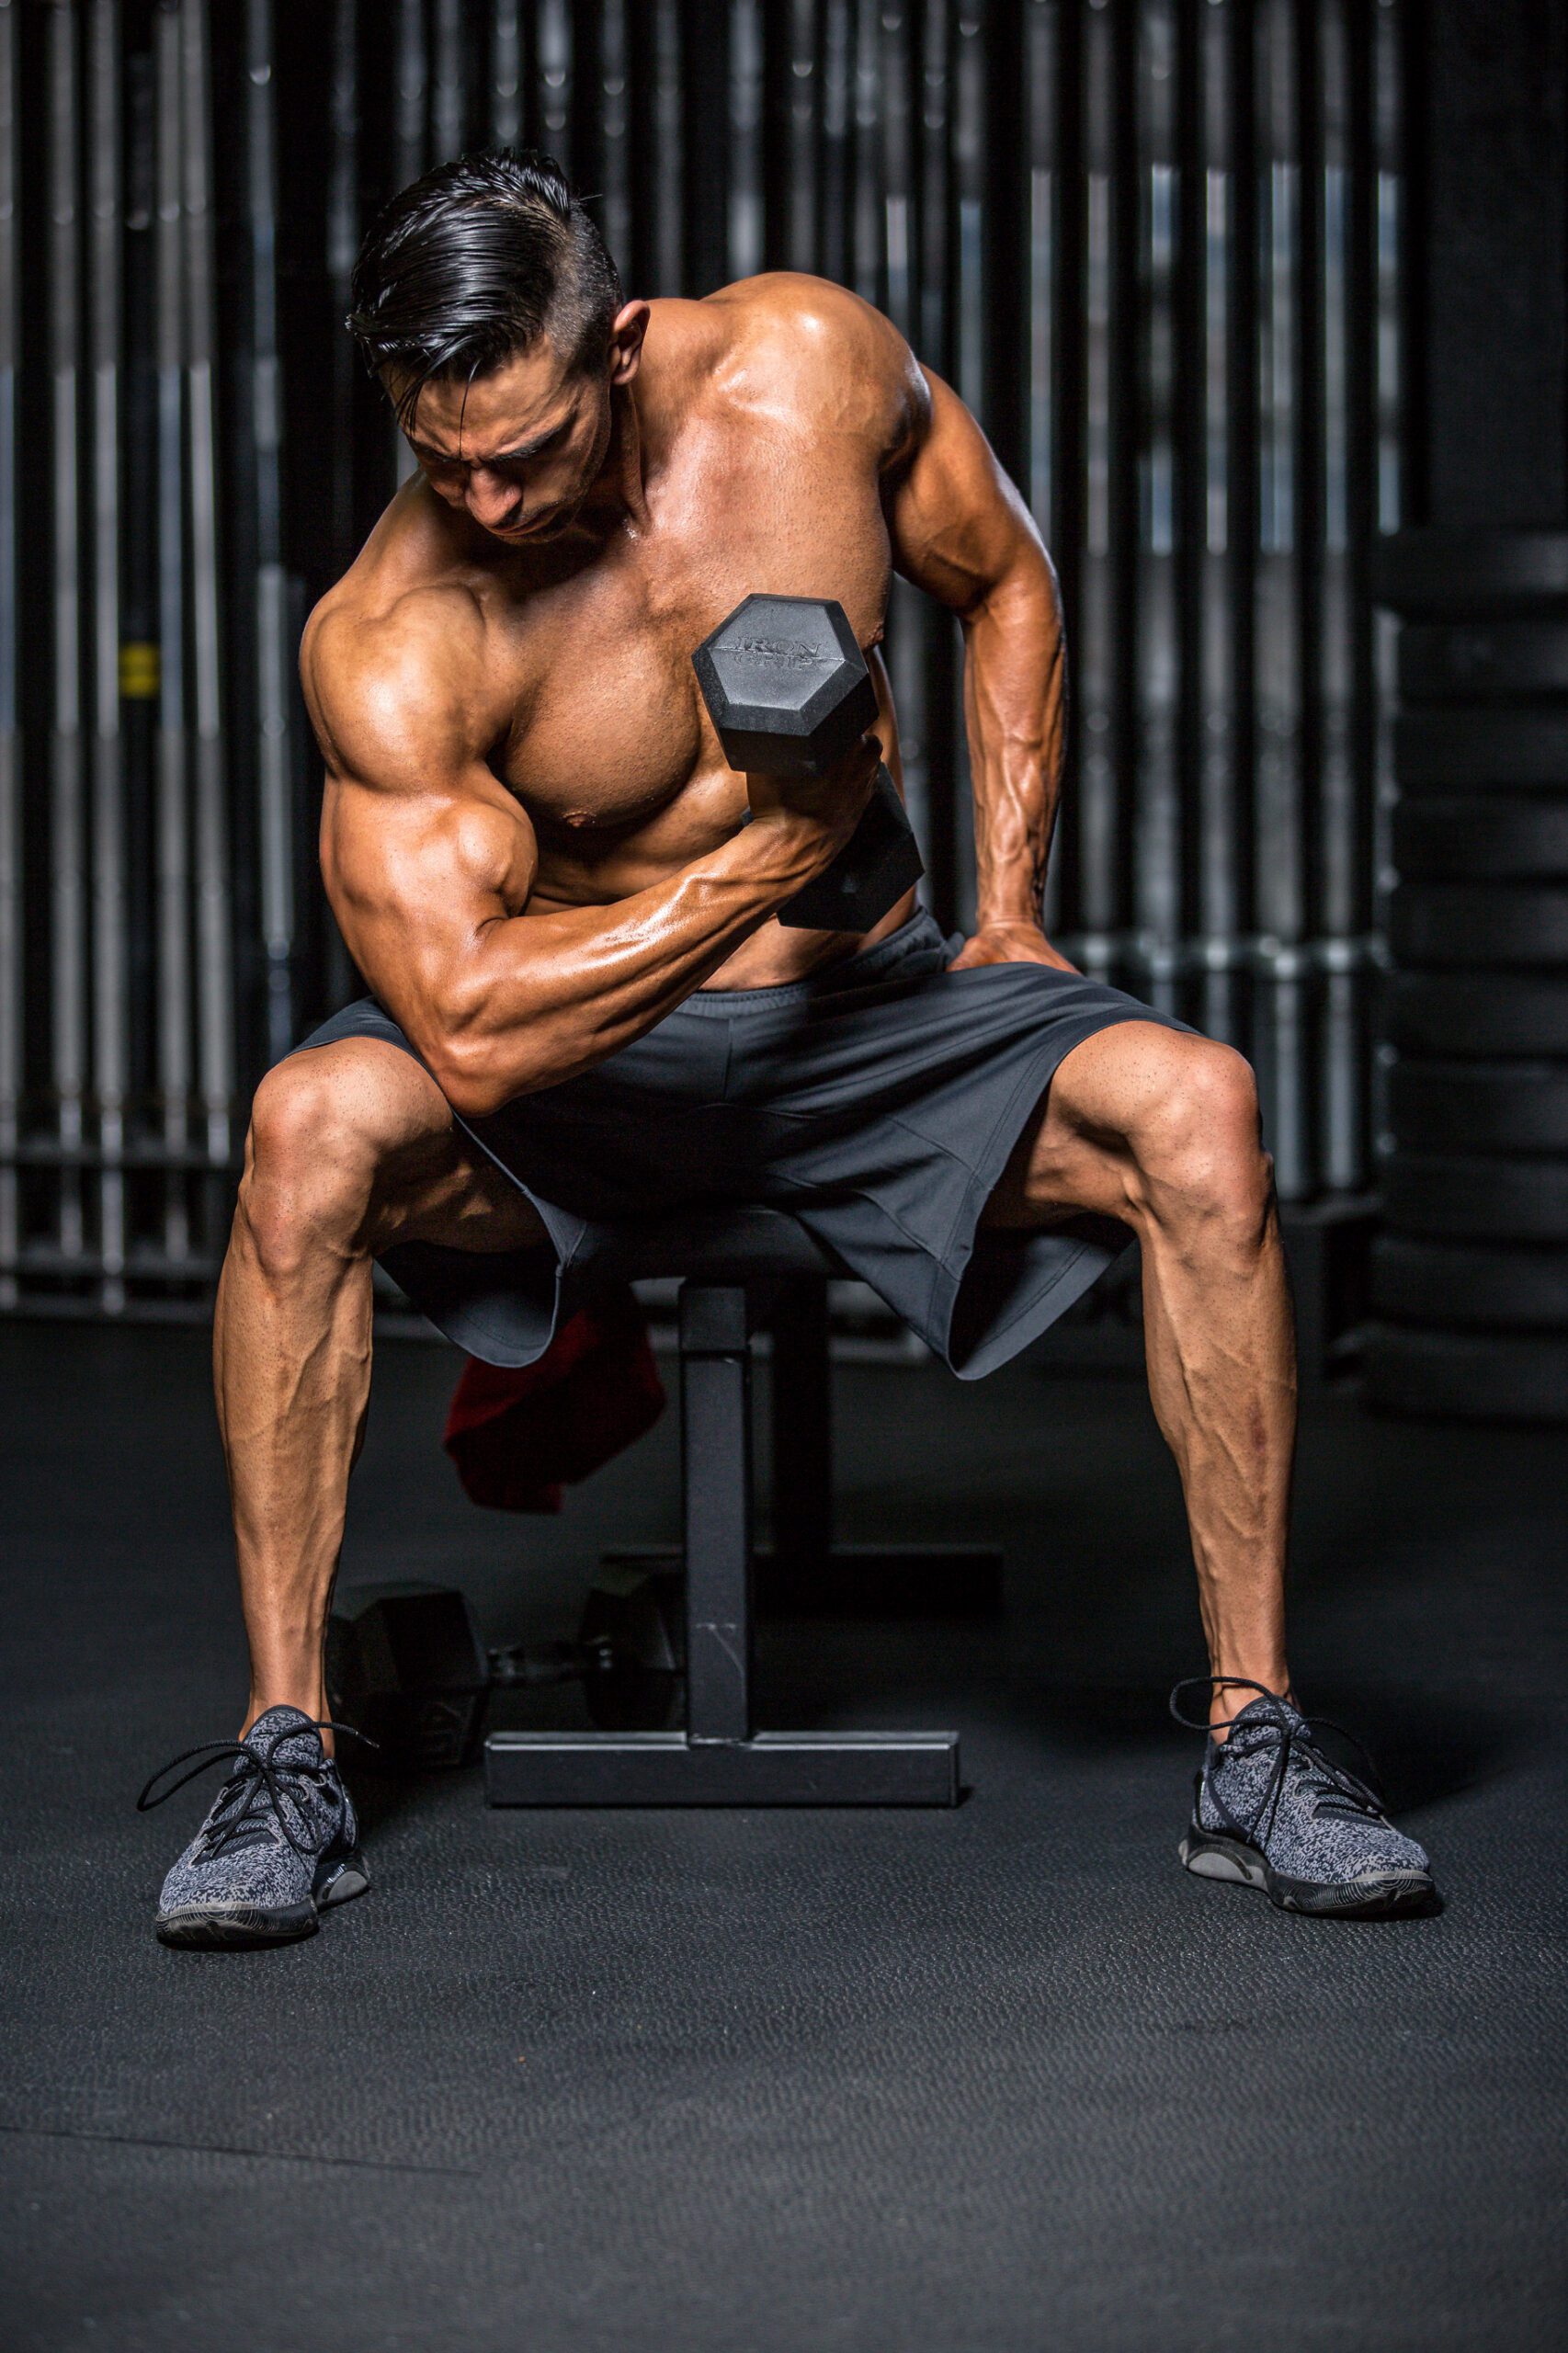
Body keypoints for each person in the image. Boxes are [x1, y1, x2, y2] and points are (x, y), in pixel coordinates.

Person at [140, 149, 1436, 1947]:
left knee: (1198, 1110)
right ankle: (285, 1750)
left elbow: (1006, 574)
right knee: (304, 1129)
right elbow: (469, 1024)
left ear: (626, 349)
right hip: (572, 1084)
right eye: (446, 462)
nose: (494, 502)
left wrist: (1009, 909)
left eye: (529, 451)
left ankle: (1254, 1734)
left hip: (874, 1031)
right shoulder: (391, 633)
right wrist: (752, 864)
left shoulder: (815, 371)